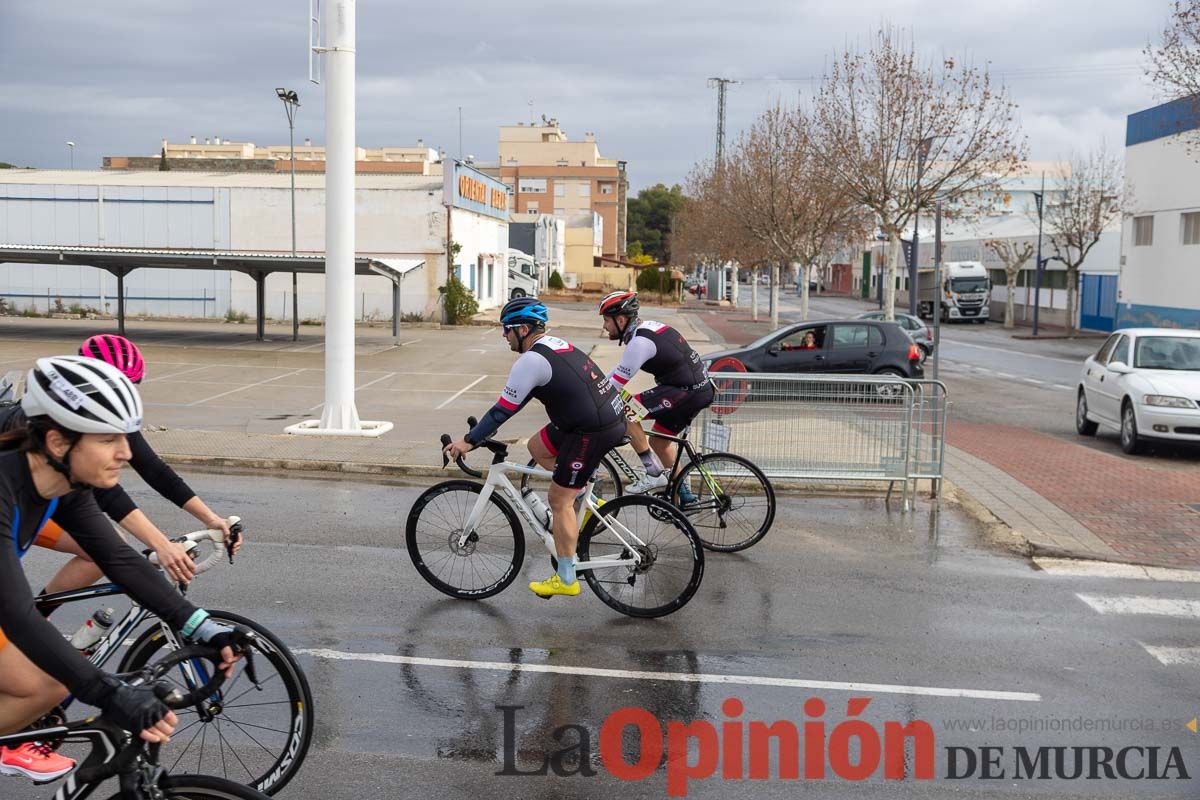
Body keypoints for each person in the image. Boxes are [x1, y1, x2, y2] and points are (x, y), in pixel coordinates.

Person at [0, 356, 241, 781]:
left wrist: (202, 627)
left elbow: (118, 558)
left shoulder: (64, 485)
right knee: (50, 679)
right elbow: (17, 613)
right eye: (109, 438)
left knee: (49, 684)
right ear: (58, 443)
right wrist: (107, 692)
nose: (126, 453)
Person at [0, 334, 238, 595]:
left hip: (37, 502)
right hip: (11, 502)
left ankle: (40, 616)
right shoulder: (46, 421)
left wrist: (212, 519)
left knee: (105, 552)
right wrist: (160, 544)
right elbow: (106, 494)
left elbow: (153, 469)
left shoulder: (102, 419)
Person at [444, 298, 625, 599]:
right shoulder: (553, 344)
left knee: (558, 499)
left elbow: (502, 410)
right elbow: (519, 402)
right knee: (537, 446)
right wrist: (478, 434)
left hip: (591, 428)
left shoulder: (529, 361)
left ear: (523, 329)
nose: (504, 335)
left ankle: (566, 578)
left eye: (506, 329)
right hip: (595, 416)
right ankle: (588, 498)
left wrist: (468, 441)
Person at [598, 291, 715, 495]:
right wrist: (595, 386)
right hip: (695, 389)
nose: (604, 326)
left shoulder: (639, 343)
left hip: (685, 392)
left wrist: (591, 400)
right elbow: (617, 372)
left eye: (607, 320)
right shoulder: (647, 328)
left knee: (626, 411)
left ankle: (653, 473)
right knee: (659, 442)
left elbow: (615, 385)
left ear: (621, 319)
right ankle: (685, 497)